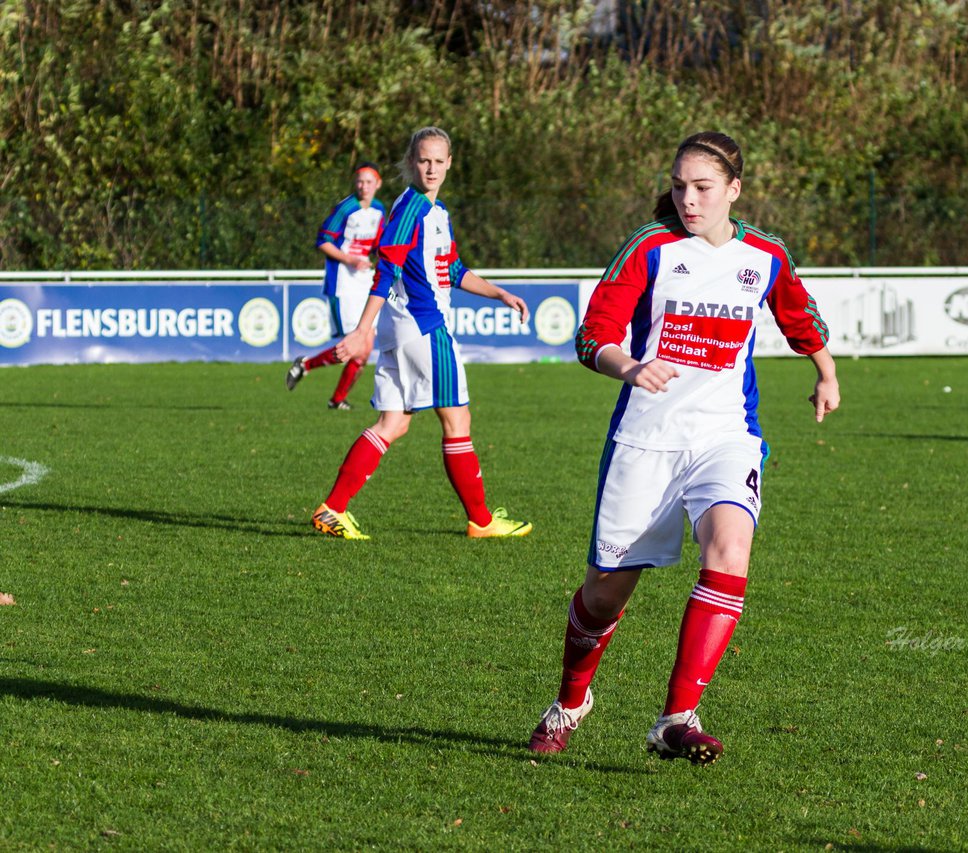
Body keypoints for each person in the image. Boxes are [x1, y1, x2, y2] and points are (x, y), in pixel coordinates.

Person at [528, 131, 839, 764]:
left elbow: (797, 315)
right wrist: (628, 367)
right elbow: (594, 334)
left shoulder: (765, 255)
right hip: (645, 439)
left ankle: (676, 718)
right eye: (679, 186)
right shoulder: (650, 247)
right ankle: (569, 702)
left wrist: (826, 372)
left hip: (727, 434)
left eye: (701, 187)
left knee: (729, 547)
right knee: (604, 594)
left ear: (734, 189)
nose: (688, 199)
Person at [309, 127, 533, 540]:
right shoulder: (411, 207)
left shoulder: (435, 211)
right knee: (457, 418)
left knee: (392, 422)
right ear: (412, 163)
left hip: (404, 329)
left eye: (437, 161)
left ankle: (332, 509)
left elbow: (454, 270)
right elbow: (388, 267)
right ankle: (482, 521)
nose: (430, 168)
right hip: (425, 328)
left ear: (450, 163)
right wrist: (362, 329)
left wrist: (499, 293)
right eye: (423, 160)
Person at [286, 162, 387, 409]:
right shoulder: (345, 208)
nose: (364, 186)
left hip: (366, 283)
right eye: (360, 181)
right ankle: (307, 367)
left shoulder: (379, 210)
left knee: (364, 353)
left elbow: (378, 244)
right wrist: (350, 259)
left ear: (378, 184)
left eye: (369, 181)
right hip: (344, 284)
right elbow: (323, 241)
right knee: (357, 350)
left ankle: (335, 398)